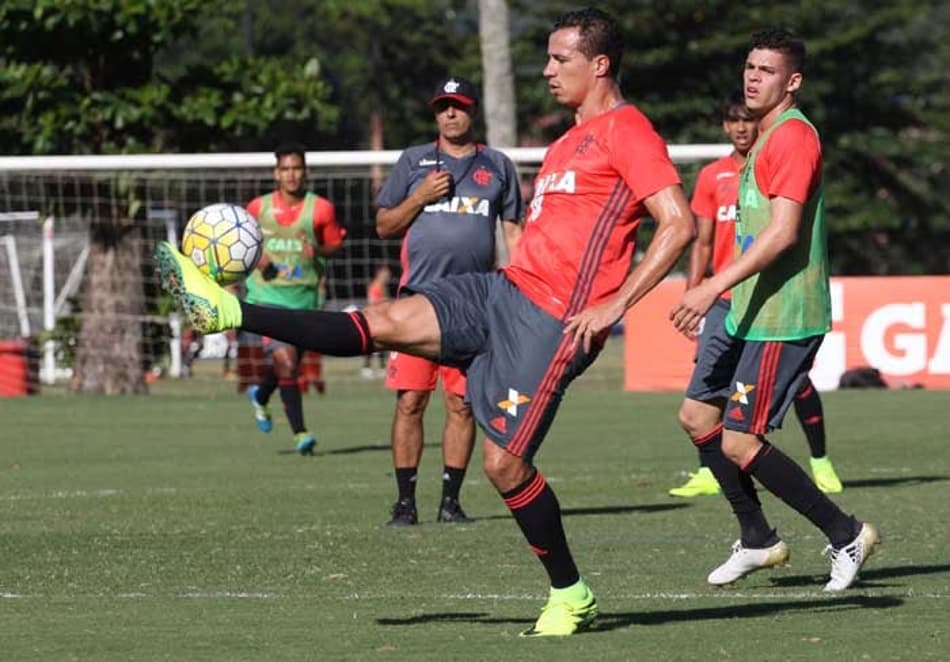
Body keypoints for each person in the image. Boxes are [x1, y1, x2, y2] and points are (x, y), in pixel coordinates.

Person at [156, 8, 695, 636]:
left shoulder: (627, 131)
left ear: (599, 64)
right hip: (502, 292)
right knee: (382, 319)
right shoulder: (564, 142)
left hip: (552, 324)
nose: (547, 70)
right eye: (546, 57)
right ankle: (229, 309)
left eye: (559, 59)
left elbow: (678, 222)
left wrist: (613, 306)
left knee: (504, 468)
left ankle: (571, 594)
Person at [670, 28, 878, 591]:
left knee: (739, 439)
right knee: (697, 417)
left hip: (782, 315)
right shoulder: (760, 140)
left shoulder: (792, 138)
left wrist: (712, 285)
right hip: (746, 307)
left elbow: (784, 233)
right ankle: (758, 538)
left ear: (793, 81)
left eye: (766, 70)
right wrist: (722, 293)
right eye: (749, 67)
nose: (753, 77)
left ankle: (846, 533)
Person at [670, 90, 843, 498]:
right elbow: (703, 242)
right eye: (734, 120)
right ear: (725, 127)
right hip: (725, 300)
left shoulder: (784, 151)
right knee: (700, 404)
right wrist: (699, 291)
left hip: (772, 301)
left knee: (795, 388)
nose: (741, 126)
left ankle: (820, 462)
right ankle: (717, 483)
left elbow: (785, 232)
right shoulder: (714, 176)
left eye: (747, 119)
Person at [375, 76, 525, 527]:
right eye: (443, 107)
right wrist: (419, 197)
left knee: (461, 405)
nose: (450, 114)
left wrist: (522, 288)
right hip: (418, 302)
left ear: (471, 110)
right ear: (435, 113)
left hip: (473, 306)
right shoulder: (412, 161)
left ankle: (450, 501)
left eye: (458, 106)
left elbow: (513, 231)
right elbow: (384, 225)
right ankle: (405, 501)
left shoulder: (497, 165)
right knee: (410, 402)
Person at [243, 143, 347, 455]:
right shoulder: (256, 209)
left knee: (286, 367)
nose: (291, 175)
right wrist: (255, 257)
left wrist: (317, 250)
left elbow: (334, 246)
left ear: (305, 172)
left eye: (296, 168)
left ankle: (261, 396)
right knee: (287, 362)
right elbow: (238, 247)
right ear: (277, 173)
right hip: (266, 297)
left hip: (305, 300)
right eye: (285, 169)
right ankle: (300, 434)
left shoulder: (321, 209)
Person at [361, 265, 391, 379]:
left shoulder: (384, 287)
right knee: (372, 342)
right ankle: (366, 367)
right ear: (379, 273)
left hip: (382, 319)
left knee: (383, 343)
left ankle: (382, 367)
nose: (388, 276)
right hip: (374, 319)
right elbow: (372, 302)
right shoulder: (375, 286)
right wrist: (385, 302)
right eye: (386, 273)